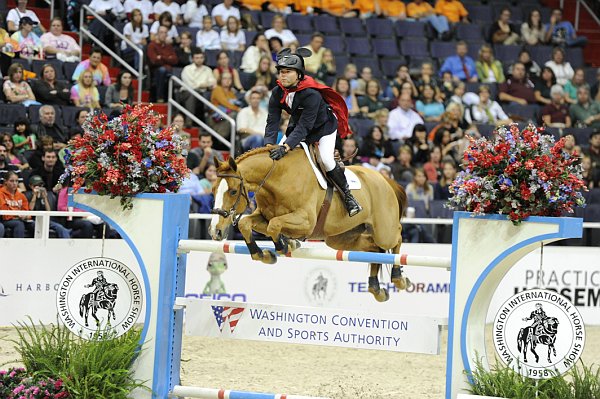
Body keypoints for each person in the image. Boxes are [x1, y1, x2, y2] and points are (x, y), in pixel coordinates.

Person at [265, 48, 361, 217]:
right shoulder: (277, 92)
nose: (283, 75)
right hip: (298, 125)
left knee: (326, 160)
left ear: (299, 74)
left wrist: (286, 146)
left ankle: (349, 197)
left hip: (323, 128)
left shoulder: (311, 94)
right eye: (281, 72)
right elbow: (272, 121)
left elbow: (305, 126)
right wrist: (269, 145)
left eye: (287, 72)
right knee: (276, 158)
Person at [180, 48, 216, 125]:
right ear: (193, 59)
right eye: (197, 58)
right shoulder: (187, 69)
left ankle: (207, 124)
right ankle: (189, 121)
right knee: (192, 93)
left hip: (202, 94)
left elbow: (213, 83)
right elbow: (191, 86)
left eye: (201, 58)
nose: (199, 60)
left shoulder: (208, 70)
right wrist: (204, 84)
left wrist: (200, 85)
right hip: (186, 93)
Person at [148, 25, 179, 102]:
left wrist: (161, 57)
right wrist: (168, 58)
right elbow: (154, 61)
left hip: (169, 69)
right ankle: (159, 97)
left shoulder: (169, 46)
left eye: (165, 32)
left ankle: (175, 100)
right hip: (155, 70)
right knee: (162, 70)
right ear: (157, 34)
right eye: (161, 32)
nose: (163, 34)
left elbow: (175, 60)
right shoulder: (152, 45)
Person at [0, 171, 31, 238]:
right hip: (4, 220)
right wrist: (18, 214)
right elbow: (5, 213)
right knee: (19, 224)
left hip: (19, 219)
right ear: (5, 182)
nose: (14, 183)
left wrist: (25, 216)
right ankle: (18, 247)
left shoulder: (21, 195)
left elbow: (27, 212)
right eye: (11, 181)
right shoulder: (1, 193)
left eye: (16, 181)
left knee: (35, 224)